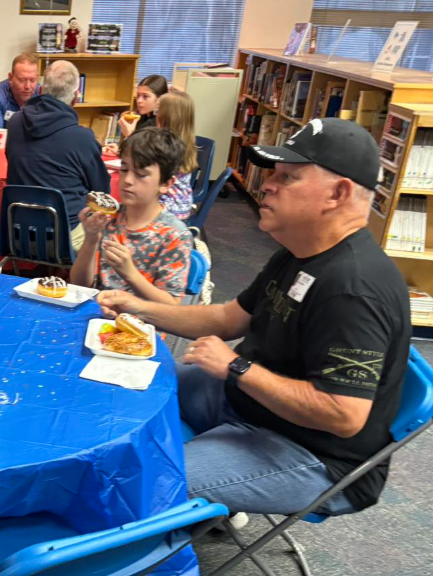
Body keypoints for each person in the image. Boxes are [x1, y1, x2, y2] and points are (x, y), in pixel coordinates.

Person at [97, 118, 410, 518]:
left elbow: (343, 415)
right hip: (250, 405)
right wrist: (136, 306)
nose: (267, 184)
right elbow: (229, 318)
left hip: (314, 456)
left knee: (143, 477)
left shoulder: (354, 288)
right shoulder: (299, 251)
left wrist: (237, 367)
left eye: (288, 177)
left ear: (338, 192)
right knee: (122, 381)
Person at [70, 127, 193, 304]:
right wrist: (90, 239)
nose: (127, 180)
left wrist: (130, 273)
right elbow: (80, 284)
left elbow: (171, 306)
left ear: (166, 183)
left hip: (142, 327)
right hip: (99, 318)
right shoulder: (109, 218)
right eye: (124, 169)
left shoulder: (174, 234)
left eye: (141, 174)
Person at [5, 59, 110, 251]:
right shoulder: (82, 138)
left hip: (18, 230)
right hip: (64, 236)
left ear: (41, 90)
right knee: (109, 229)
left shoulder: (14, 122)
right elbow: (101, 191)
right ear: (76, 98)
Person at [155, 91, 198, 220]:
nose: (155, 115)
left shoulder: (166, 146)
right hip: (183, 204)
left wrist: (129, 136)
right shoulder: (185, 141)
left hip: (170, 209)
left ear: (166, 118)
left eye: (158, 112)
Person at [0, 53, 39, 144]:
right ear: (10, 78)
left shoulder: (42, 94)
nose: (27, 86)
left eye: (32, 80)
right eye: (22, 80)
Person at [105, 75, 169, 154]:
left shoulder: (160, 123)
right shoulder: (140, 118)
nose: (139, 100)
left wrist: (130, 135)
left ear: (160, 99)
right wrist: (119, 150)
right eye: (138, 95)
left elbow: (149, 156)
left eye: (145, 96)